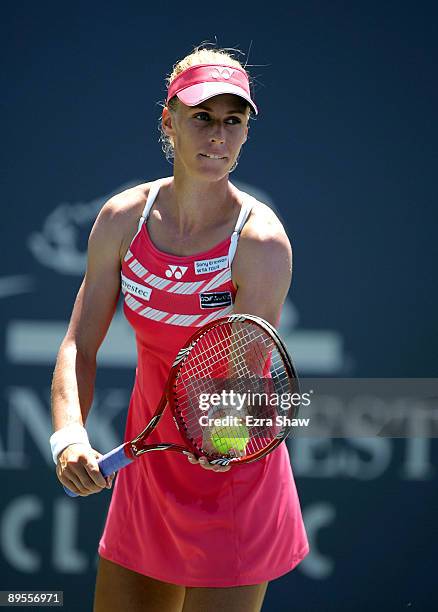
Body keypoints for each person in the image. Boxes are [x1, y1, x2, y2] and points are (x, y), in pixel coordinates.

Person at [50, 45, 309, 612]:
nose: (218, 135)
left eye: (233, 122)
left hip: (232, 476)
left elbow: (245, 378)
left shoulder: (261, 244)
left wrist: (221, 438)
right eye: (202, 117)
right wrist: (69, 435)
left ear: (245, 133)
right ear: (168, 120)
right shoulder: (122, 220)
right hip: (149, 471)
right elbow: (80, 344)